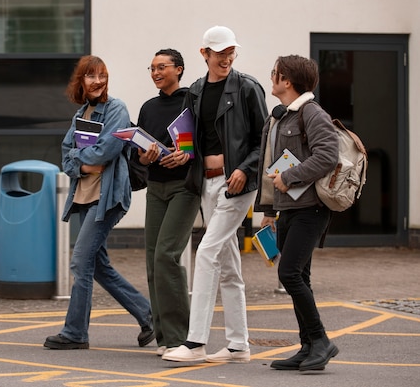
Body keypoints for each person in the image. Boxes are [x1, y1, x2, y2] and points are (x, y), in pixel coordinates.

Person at [162, 26, 267, 363]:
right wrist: (183, 151)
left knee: (206, 253)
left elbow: (262, 140)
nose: (227, 57)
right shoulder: (195, 90)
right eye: (219, 52)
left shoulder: (247, 87)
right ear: (204, 53)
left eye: (230, 51)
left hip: (237, 183)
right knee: (227, 264)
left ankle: (195, 342)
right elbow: (195, 137)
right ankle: (239, 346)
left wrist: (244, 170)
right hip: (207, 182)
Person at [43, 55, 154, 350]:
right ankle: (149, 316)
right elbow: (66, 155)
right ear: (81, 81)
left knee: (80, 262)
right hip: (85, 196)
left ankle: (75, 333)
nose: (98, 81)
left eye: (102, 75)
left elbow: (108, 149)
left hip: (109, 197)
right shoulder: (83, 113)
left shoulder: (115, 108)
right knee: (98, 266)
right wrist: (81, 166)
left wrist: (79, 161)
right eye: (91, 76)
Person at [254, 55, 339, 371]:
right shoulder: (279, 118)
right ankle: (308, 346)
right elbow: (267, 168)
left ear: (287, 80)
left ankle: (321, 341)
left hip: (311, 209)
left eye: (275, 73)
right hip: (287, 209)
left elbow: (327, 156)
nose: (272, 77)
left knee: (288, 273)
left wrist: (289, 177)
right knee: (299, 275)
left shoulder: (312, 114)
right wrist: (268, 212)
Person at [135, 49, 201, 357]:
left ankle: (179, 338)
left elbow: (200, 142)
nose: (156, 72)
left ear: (180, 69)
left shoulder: (193, 101)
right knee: (152, 260)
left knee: (166, 256)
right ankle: (164, 339)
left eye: (162, 67)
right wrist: (143, 155)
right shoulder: (149, 107)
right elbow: (140, 147)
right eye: (152, 68)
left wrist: (187, 154)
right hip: (155, 187)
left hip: (184, 187)